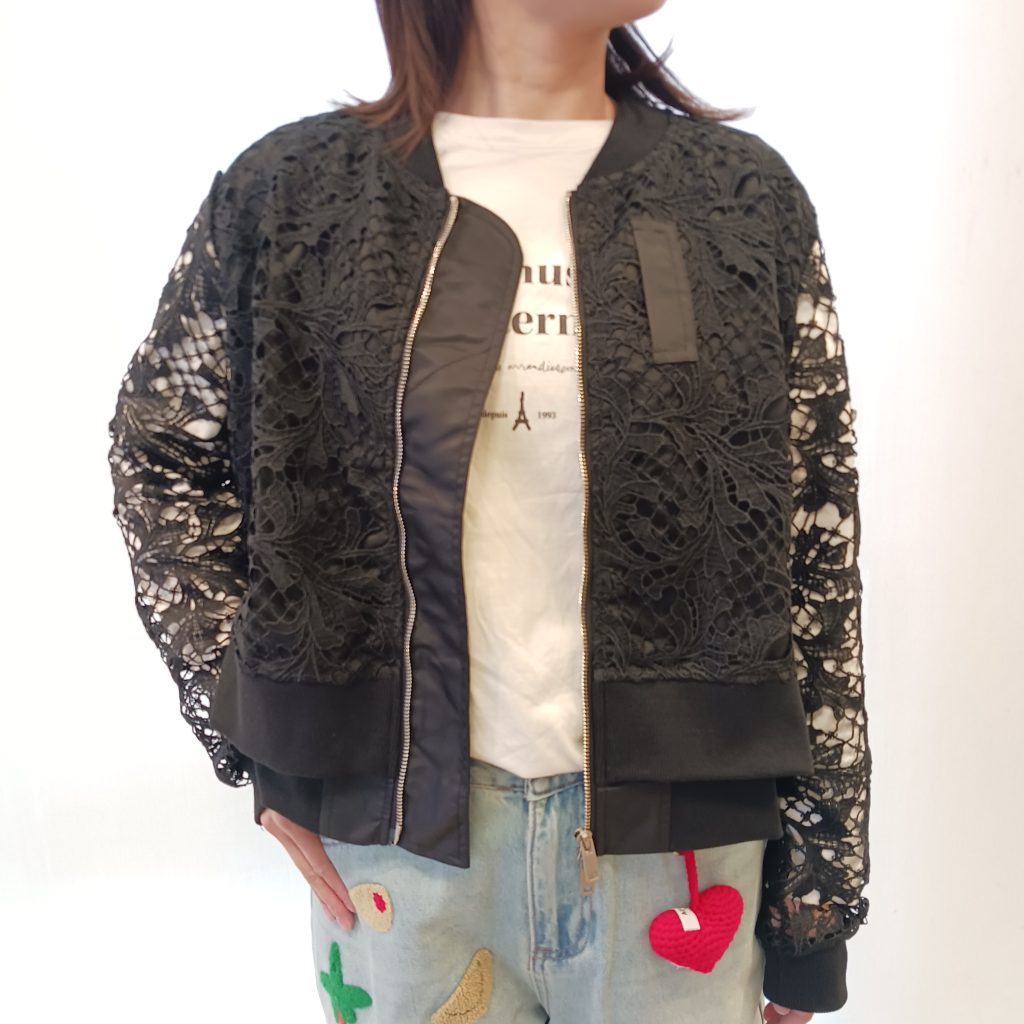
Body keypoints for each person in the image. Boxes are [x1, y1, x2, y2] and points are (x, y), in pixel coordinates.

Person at [106, 1, 872, 1021]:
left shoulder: (739, 198)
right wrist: (264, 730)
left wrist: (815, 903)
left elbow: (814, 534)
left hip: (683, 854)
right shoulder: (294, 194)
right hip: (401, 856)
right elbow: (161, 453)